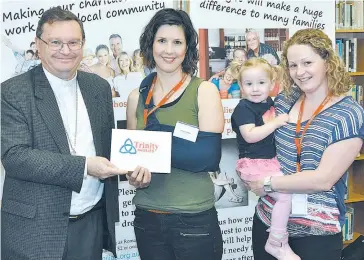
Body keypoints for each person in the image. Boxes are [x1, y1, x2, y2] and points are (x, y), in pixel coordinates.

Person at [1, 7, 128, 260]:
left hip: (90, 223)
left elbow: (110, 147)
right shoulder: (13, 91)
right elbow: (14, 157)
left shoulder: (99, 88)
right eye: (56, 42)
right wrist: (84, 167)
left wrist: (132, 167)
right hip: (34, 230)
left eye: (73, 42)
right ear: (38, 44)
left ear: (83, 45)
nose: (66, 50)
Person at [246, 28, 364, 260]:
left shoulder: (348, 114)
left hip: (316, 233)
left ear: (327, 62)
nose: (300, 72)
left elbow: (323, 179)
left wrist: (268, 183)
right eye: (292, 65)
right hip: (268, 223)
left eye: (307, 62)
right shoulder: (283, 101)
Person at [126, 8, 225, 260]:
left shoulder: (204, 91)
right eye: (162, 41)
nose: (168, 50)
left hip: (194, 221)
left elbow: (207, 157)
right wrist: (136, 176)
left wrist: (158, 141)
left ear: (187, 48)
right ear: (150, 44)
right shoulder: (136, 97)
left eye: (177, 42)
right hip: (147, 217)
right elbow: (134, 157)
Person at [231, 58, 299, 260]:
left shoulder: (270, 103)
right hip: (253, 163)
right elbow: (250, 135)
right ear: (241, 86)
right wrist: (277, 122)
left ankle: (279, 238)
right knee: (285, 197)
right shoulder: (243, 108)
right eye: (248, 84)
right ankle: (277, 241)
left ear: (271, 84)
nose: (255, 89)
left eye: (261, 83)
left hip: (269, 161)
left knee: (286, 196)